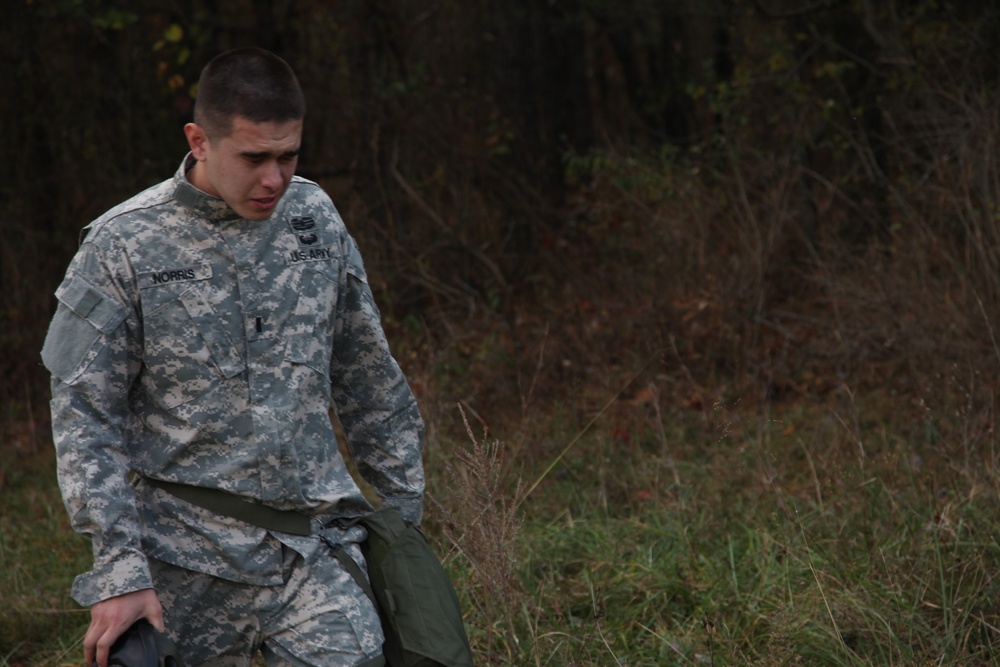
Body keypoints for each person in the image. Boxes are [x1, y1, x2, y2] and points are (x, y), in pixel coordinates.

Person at [41, 47, 425, 667]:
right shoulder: (121, 245)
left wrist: (403, 529)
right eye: (254, 158)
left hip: (313, 552)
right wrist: (119, 571)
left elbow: (369, 377)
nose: (274, 179)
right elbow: (85, 418)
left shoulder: (315, 218)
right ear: (199, 140)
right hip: (181, 563)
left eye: (288, 155)